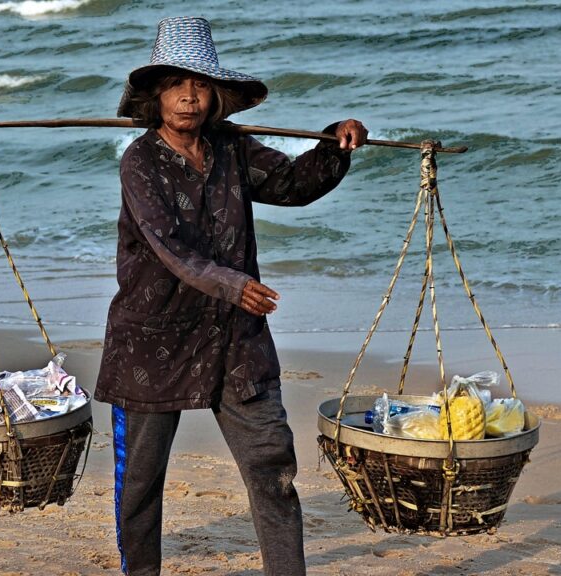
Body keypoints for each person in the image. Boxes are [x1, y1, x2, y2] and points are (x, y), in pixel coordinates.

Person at [93, 16, 368, 576]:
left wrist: (334, 142)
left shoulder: (232, 151)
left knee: (272, 467)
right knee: (141, 483)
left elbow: (293, 184)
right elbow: (166, 245)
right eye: (175, 85)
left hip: (233, 339)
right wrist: (234, 284)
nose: (188, 98)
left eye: (199, 85)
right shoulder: (140, 161)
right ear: (155, 96)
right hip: (154, 342)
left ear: (216, 95)